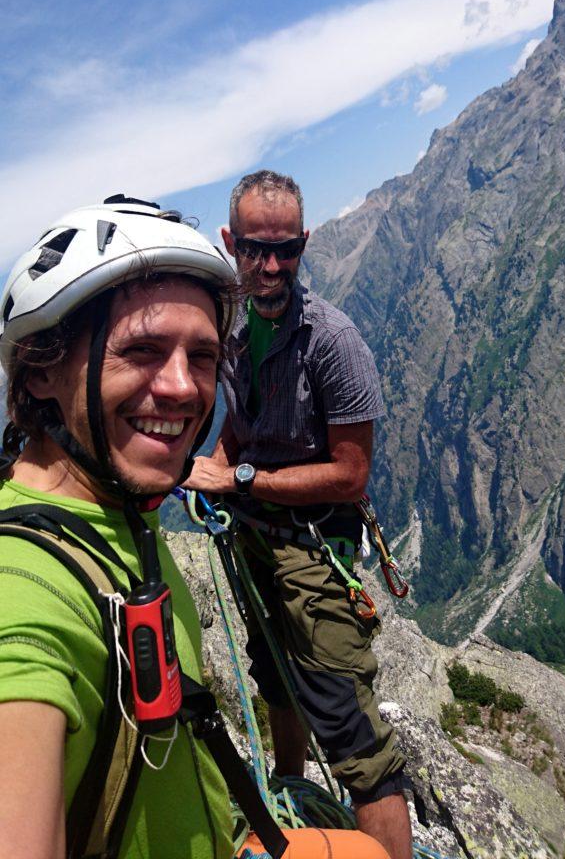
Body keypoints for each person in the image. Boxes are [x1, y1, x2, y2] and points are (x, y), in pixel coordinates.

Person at [0, 195, 237, 859]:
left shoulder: (111, 509)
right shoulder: (21, 593)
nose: (183, 387)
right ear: (42, 370)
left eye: (203, 357)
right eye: (142, 350)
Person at [190, 171, 413, 859]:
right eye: (256, 249)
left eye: (286, 250)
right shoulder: (231, 325)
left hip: (315, 544)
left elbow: (352, 475)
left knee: (352, 734)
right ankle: (290, 795)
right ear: (231, 243)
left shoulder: (331, 340)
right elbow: (239, 416)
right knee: (274, 673)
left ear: (304, 243)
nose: (271, 266)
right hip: (257, 530)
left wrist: (242, 476)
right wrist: (221, 467)